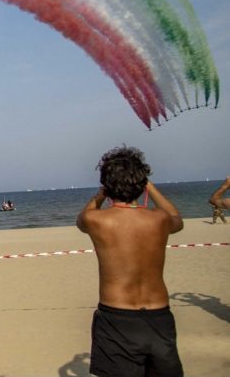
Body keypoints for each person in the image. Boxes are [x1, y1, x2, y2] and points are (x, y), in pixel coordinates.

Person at [76, 145, 184, 377]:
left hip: (117, 316)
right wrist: (150, 187)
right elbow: (177, 219)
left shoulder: (97, 220)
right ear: (141, 183)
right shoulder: (159, 219)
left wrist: (101, 194)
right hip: (158, 315)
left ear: (107, 185)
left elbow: (81, 220)